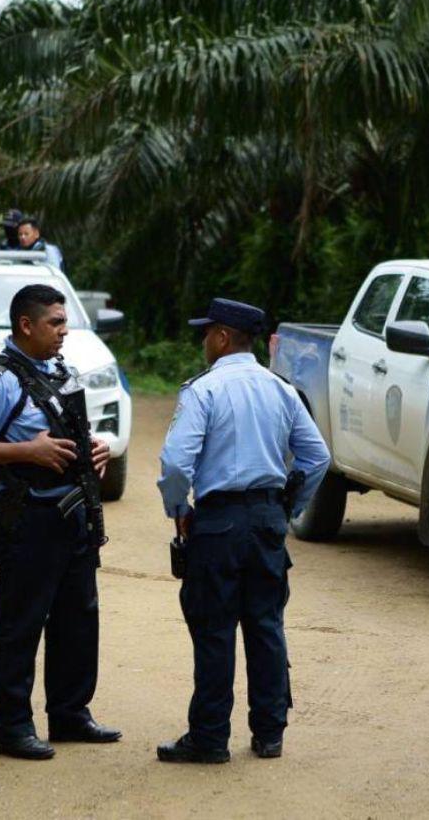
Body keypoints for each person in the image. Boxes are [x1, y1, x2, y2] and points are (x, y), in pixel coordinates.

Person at [156, 297, 331, 763]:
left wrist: (179, 509)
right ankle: (270, 733)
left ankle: (211, 739)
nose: (202, 342)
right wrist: (288, 507)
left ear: (221, 337)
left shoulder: (203, 391)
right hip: (267, 523)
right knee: (266, 625)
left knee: (214, 629)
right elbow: (318, 458)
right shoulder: (281, 390)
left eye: (205, 333)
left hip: (217, 524)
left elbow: (176, 463)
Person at [0, 284, 118, 760]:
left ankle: (70, 714)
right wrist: (28, 451)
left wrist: (95, 451)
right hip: (28, 520)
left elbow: (67, 435)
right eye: (56, 323)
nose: (65, 331)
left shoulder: (61, 371)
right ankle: (13, 726)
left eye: (65, 322)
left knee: (77, 620)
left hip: (72, 515)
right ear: (26, 325)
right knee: (20, 625)